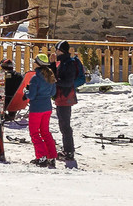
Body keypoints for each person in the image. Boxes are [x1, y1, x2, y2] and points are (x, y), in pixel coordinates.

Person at [53, 40, 87, 168]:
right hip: (63, 97)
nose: (56, 53)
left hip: (66, 97)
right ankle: (68, 150)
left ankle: (69, 152)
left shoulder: (68, 64)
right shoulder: (63, 62)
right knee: (64, 125)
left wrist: (55, 82)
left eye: (58, 50)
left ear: (62, 51)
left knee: (65, 126)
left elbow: (68, 82)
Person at [24, 53, 58, 166]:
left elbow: (32, 95)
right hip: (47, 108)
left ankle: (41, 157)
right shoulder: (50, 76)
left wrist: (26, 92)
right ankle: (51, 157)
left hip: (36, 109)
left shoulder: (35, 78)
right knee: (45, 132)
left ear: (37, 64)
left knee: (34, 133)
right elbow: (53, 93)